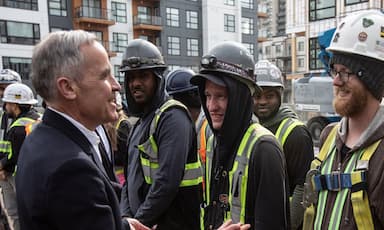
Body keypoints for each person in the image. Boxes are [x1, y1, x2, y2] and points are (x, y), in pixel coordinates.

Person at [15, 30, 148, 230]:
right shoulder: (71, 170)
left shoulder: (44, 138)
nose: (116, 86)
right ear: (68, 88)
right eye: (104, 76)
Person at [190, 41, 290, 229]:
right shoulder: (212, 143)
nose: (211, 106)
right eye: (208, 96)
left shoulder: (265, 149)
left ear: (241, 97)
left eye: (221, 96)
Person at [302, 9, 384, 229]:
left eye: (346, 72)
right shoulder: (329, 136)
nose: (336, 82)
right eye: (334, 71)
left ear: (372, 79)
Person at [119, 39, 203, 230]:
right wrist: (126, 218)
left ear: (158, 78)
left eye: (143, 76)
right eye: (131, 77)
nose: (136, 83)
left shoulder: (172, 118)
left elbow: (167, 182)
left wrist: (138, 223)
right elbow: (128, 179)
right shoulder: (140, 123)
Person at [253, 60, 313, 229]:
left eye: (269, 96)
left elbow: (303, 188)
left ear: (280, 96)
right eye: (257, 96)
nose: (262, 101)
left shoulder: (296, 133)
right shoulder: (250, 129)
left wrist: (287, 225)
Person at [0, 83, 40, 230]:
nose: (5, 107)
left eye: (7, 103)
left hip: (18, 176)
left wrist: (2, 166)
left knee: (16, 213)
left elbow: (15, 155)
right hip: (33, 175)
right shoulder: (37, 118)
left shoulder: (18, 127)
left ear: (15, 105)